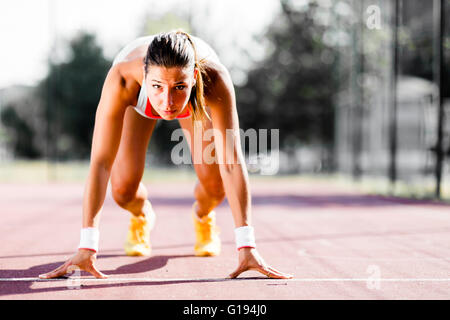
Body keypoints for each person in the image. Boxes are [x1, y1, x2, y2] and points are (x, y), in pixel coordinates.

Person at [39, 30, 292, 280]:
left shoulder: (213, 80)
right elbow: (101, 163)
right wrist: (87, 246)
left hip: (197, 103)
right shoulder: (123, 80)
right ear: (145, 74)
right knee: (123, 190)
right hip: (139, 102)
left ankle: (203, 216)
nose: (168, 102)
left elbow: (232, 163)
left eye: (179, 87)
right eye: (157, 87)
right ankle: (141, 215)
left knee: (215, 186)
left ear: (193, 77)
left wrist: (247, 246)